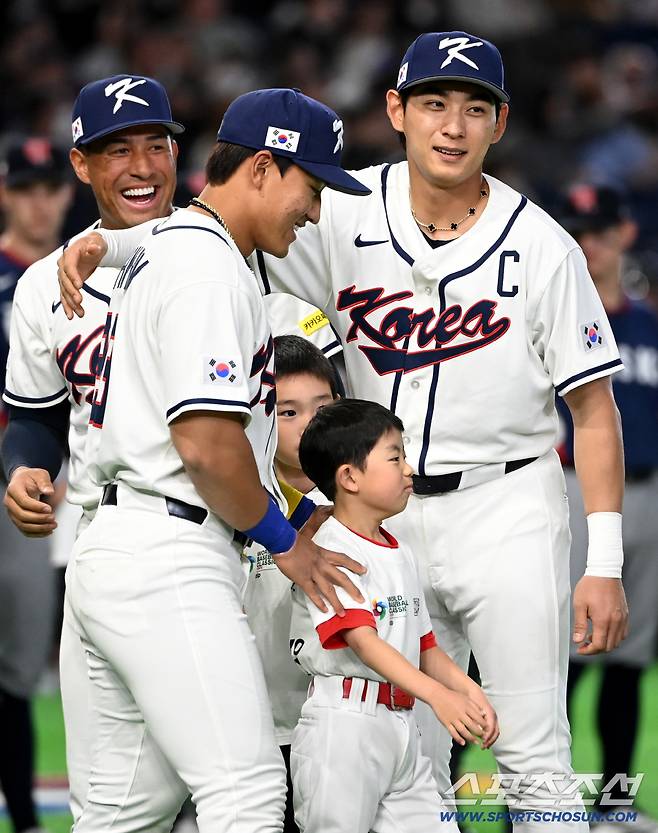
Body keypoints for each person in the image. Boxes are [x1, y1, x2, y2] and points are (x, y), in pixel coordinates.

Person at [57, 33, 630, 829]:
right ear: (395, 109)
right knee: (402, 750)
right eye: (433, 102)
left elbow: (595, 411)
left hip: (507, 506)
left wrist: (603, 560)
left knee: (533, 755)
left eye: (474, 108)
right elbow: (211, 232)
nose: (452, 126)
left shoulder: (543, 246)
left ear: (501, 123)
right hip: (377, 512)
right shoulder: (339, 208)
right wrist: (110, 242)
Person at [65, 87, 369, 833]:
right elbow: (205, 444)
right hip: (170, 551)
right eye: (313, 184)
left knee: (126, 813)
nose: (317, 209)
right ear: (263, 167)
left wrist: (99, 241)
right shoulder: (208, 269)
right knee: (248, 792)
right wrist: (285, 541)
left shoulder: (177, 245)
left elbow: (146, 238)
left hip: (118, 545)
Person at [1, 75, 183, 826]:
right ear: (87, 166)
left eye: (155, 145)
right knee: (108, 781)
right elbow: (35, 414)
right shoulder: (47, 285)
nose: (141, 166)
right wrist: (23, 467)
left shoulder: (223, 251)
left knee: (238, 769)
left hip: (214, 526)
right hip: (92, 518)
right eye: (117, 150)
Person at [289, 398, 498, 833]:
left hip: (401, 729)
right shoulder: (331, 552)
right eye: (395, 456)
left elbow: (424, 646)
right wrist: (438, 697)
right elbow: (364, 644)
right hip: (344, 727)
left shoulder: (398, 550)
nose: (409, 469)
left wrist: (466, 689)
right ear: (349, 477)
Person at [556, 185, 658, 824]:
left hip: (650, 498)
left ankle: (616, 804)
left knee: (629, 660)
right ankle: (537, 806)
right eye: (575, 233)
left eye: (595, 231)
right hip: (573, 496)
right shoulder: (556, 318)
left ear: (622, 234)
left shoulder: (650, 325)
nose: (585, 246)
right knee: (559, 659)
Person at [0, 136, 72, 833]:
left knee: (21, 668)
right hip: (20, 470)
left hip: (63, 478)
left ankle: (24, 819)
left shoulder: (84, 270)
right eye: (25, 188)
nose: (40, 202)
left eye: (49, 187)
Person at [242, 334, 339, 833]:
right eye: (288, 413)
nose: (307, 428)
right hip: (254, 730)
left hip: (337, 730)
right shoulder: (239, 504)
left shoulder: (367, 503)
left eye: (321, 409)